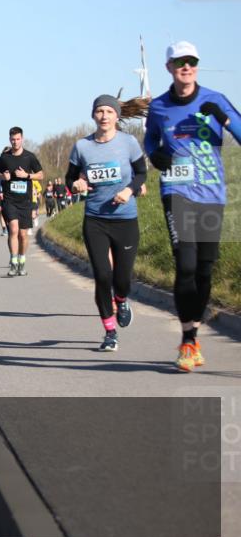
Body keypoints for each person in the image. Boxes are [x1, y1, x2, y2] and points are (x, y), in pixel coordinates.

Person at [144, 41, 241, 371]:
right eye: (179, 62)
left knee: (204, 269)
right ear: (169, 67)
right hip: (177, 190)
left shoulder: (215, 99)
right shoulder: (159, 107)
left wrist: (225, 121)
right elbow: (150, 140)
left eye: (192, 61)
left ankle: (194, 334)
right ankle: (187, 340)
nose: (186, 67)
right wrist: (155, 155)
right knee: (185, 264)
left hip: (212, 195)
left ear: (197, 65)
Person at [66, 95, 147, 352]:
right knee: (102, 276)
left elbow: (142, 173)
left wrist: (130, 190)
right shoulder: (82, 147)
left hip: (125, 219)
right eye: (99, 111)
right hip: (95, 219)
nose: (103, 116)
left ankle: (121, 299)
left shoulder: (129, 142)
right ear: (93, 116)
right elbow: (70, 179)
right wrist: (75, 185)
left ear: (117, 116)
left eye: (108, 111)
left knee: (122, 279)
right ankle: (110, 331)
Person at [0, 127, 44, 276]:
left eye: (18, 139)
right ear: (9, 139)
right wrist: (3, 177)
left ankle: (22, 260)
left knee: (23, 234)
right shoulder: (4, 157)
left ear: (22, 139)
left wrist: (27, 176)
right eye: (13, 139)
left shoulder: (29, 157)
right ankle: (13, 262)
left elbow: (41, 175)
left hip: (25, 201)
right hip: (9, 200)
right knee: (13, 230)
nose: (15, 142)